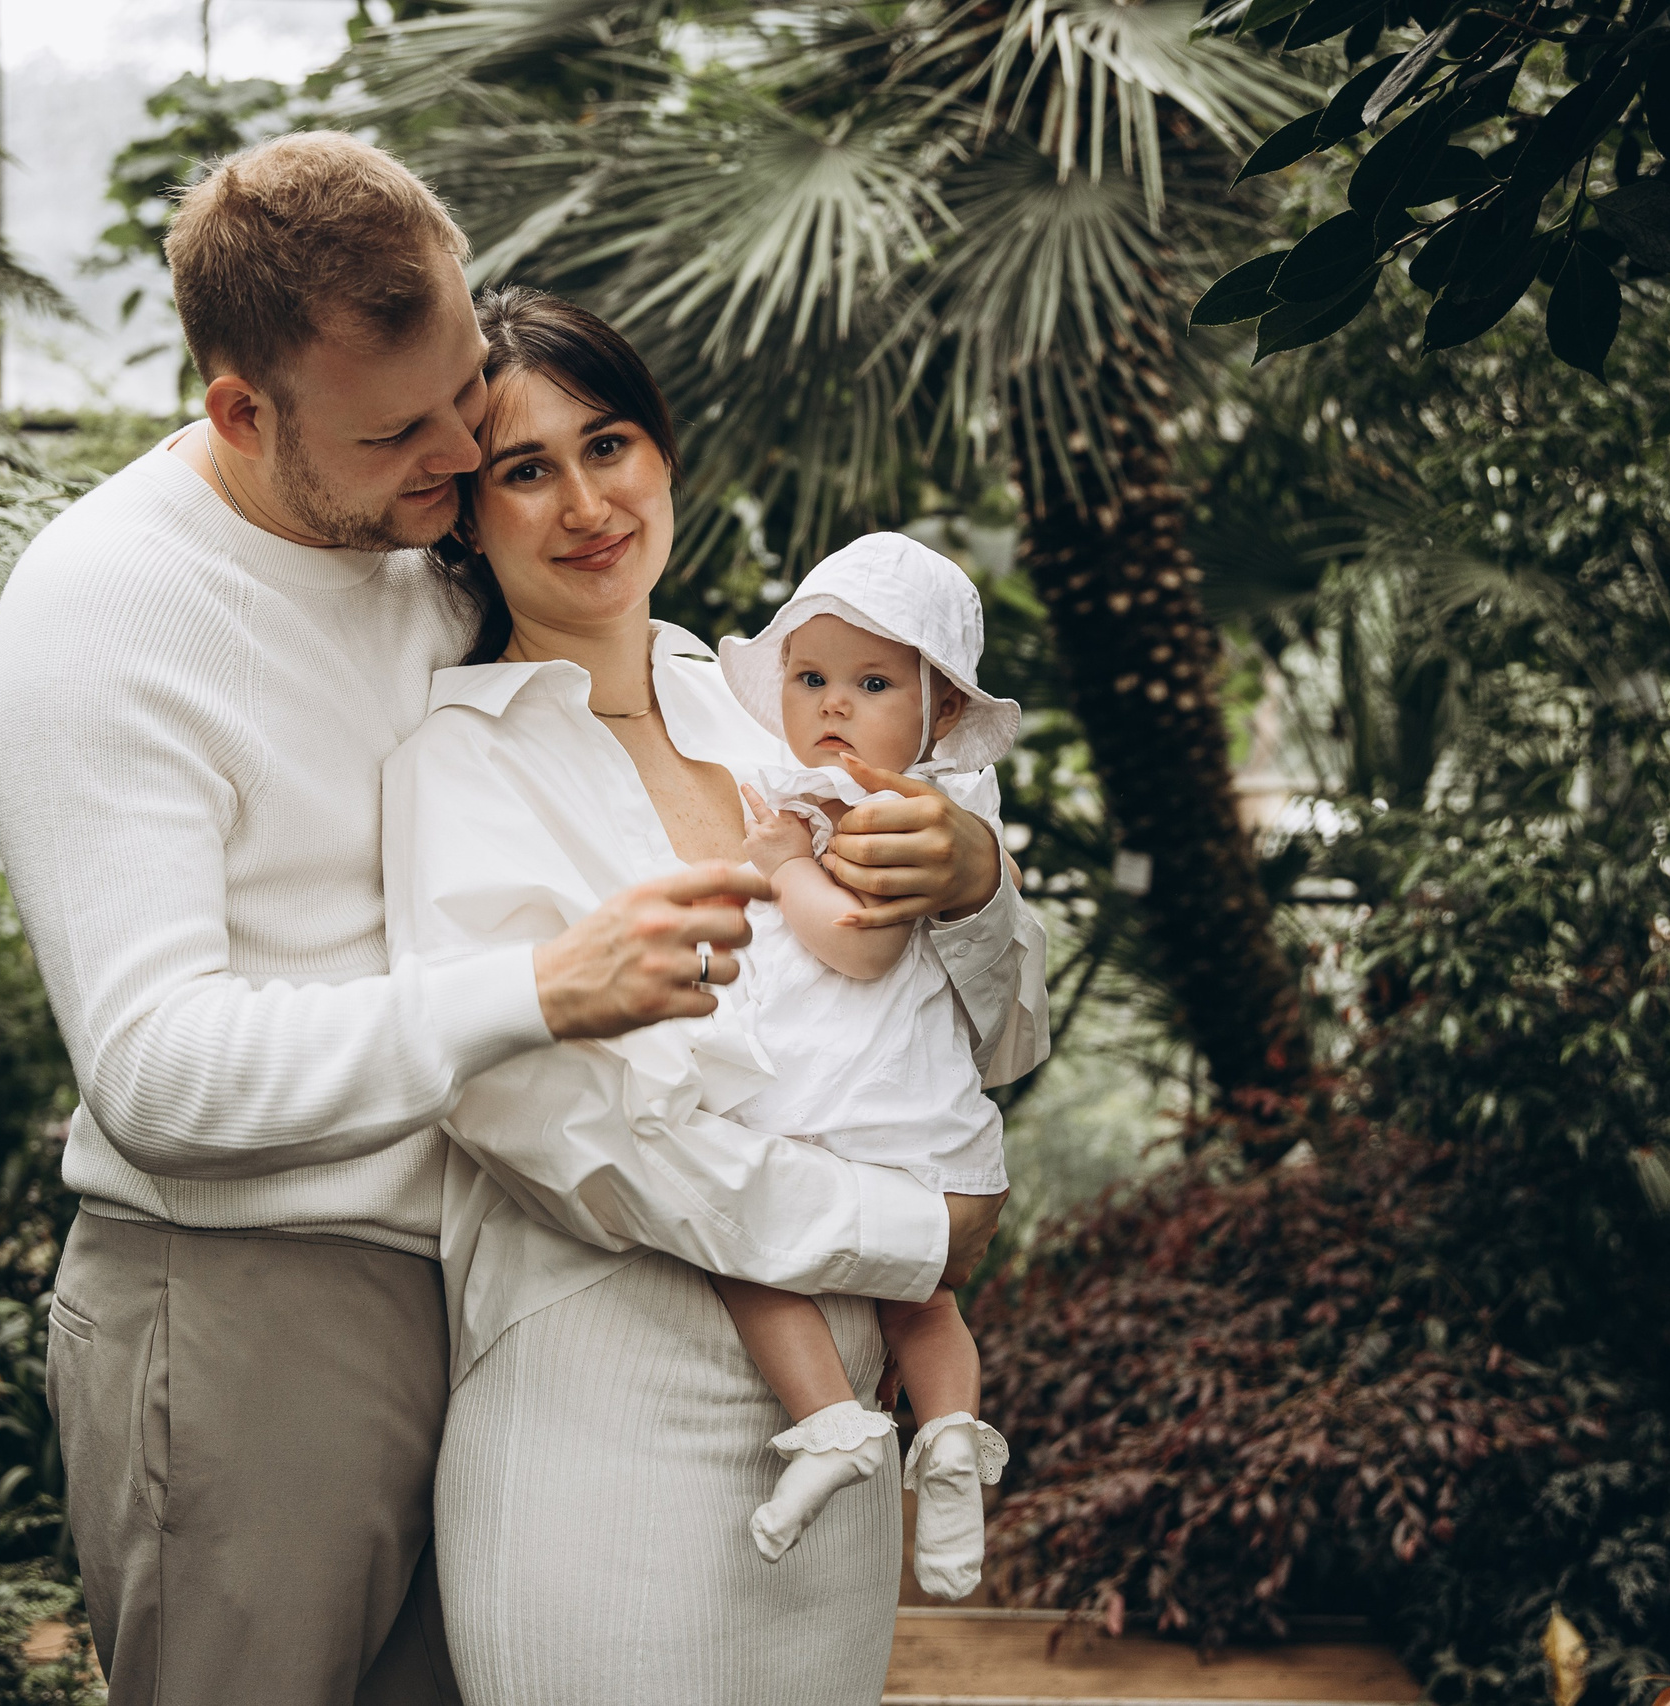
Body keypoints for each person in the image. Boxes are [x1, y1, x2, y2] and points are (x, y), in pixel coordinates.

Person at [0, 136, 1031, 1705]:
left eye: (471, 397)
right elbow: (159, 1070)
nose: (463, 456)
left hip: (481, 1290)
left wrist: (978, 883)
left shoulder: (576, 628)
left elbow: (953, 1016)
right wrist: (546, 990)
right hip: (257, 1287)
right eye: (424, 434)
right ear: (242, 415)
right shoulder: (108, 612)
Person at [382, 287, 1050, 1705]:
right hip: (612, 1396)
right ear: (466, 514)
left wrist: (977, 883)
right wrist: (910, 1230)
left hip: (850, 1415)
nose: (584, 501)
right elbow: (556, 1121)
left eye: (608, 442)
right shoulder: (461, 764)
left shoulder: (773, 700)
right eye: (523, 468)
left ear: (664, 450)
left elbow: (996, 1036)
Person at [711, 532, 1020, 1599]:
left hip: (861, 1113)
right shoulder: (860, 793)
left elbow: (859, 940)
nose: (833, 704)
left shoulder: (887, 809)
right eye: (810, 677)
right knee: (916, 1303)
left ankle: (855, 1429)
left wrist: (787, 864)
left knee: (754, 1253)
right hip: (876, 1112)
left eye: (872, 681)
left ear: (937, 711)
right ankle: (921, 1439)